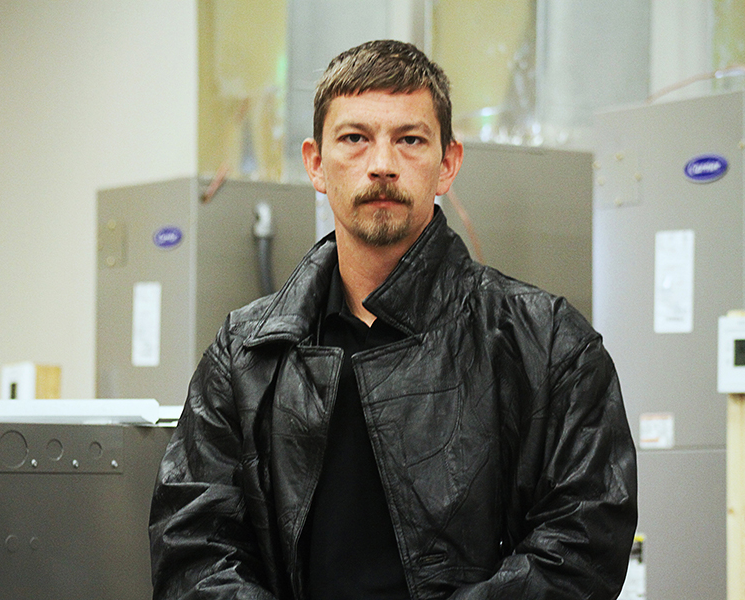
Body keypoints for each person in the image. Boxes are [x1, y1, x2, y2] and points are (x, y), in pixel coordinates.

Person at [149, 39, 637, 600]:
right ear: (315, 163)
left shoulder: (547, 343)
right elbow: (191, 548)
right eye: (355, 138)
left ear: (448, 162)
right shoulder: (246, 355)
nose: (381, 165)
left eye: (409, 140)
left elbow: (582, 547)